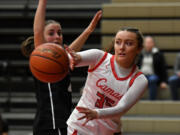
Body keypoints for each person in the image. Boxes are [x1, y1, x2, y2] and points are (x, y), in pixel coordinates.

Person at [21, 0, 102, 134]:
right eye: (51, 33)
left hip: (60, 123)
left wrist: (88, 30)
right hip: (52, 124)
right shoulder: (44, 62)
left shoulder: (61, 61)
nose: (57, 37)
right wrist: (43, 2)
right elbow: (38, 32)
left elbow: (71, 51)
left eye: (59, 33)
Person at [66, 27, 148, 135]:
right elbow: (68, 59)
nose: (121, 47)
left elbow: (121, 108)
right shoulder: (99, 57)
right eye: (118, 42)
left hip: (108, 131)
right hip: (80, 127)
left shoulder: (139, 80)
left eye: (128, 43)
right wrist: (74, 58)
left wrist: (96, 113)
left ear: (139, 48)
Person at [137, 36, 168, 100]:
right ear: (144, 44)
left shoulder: (158, 54)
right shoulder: (140, 54)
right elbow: (136, 66)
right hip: (142, 75)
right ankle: (134, 101)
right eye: (147, 43)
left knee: (152, 80)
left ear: (153, 44)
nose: (148, 44)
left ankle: (152, 101)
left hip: (153, 75)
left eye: (150, 42)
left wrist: (163, 81)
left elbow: (163, 69)